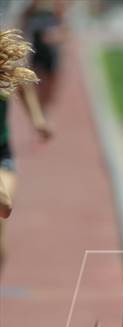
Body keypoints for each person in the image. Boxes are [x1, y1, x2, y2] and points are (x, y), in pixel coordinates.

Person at [0, 28, 50, 271]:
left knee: (3, 211)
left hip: (2, 156)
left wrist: (38, 120)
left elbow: (25, 89)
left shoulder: (5, 71)